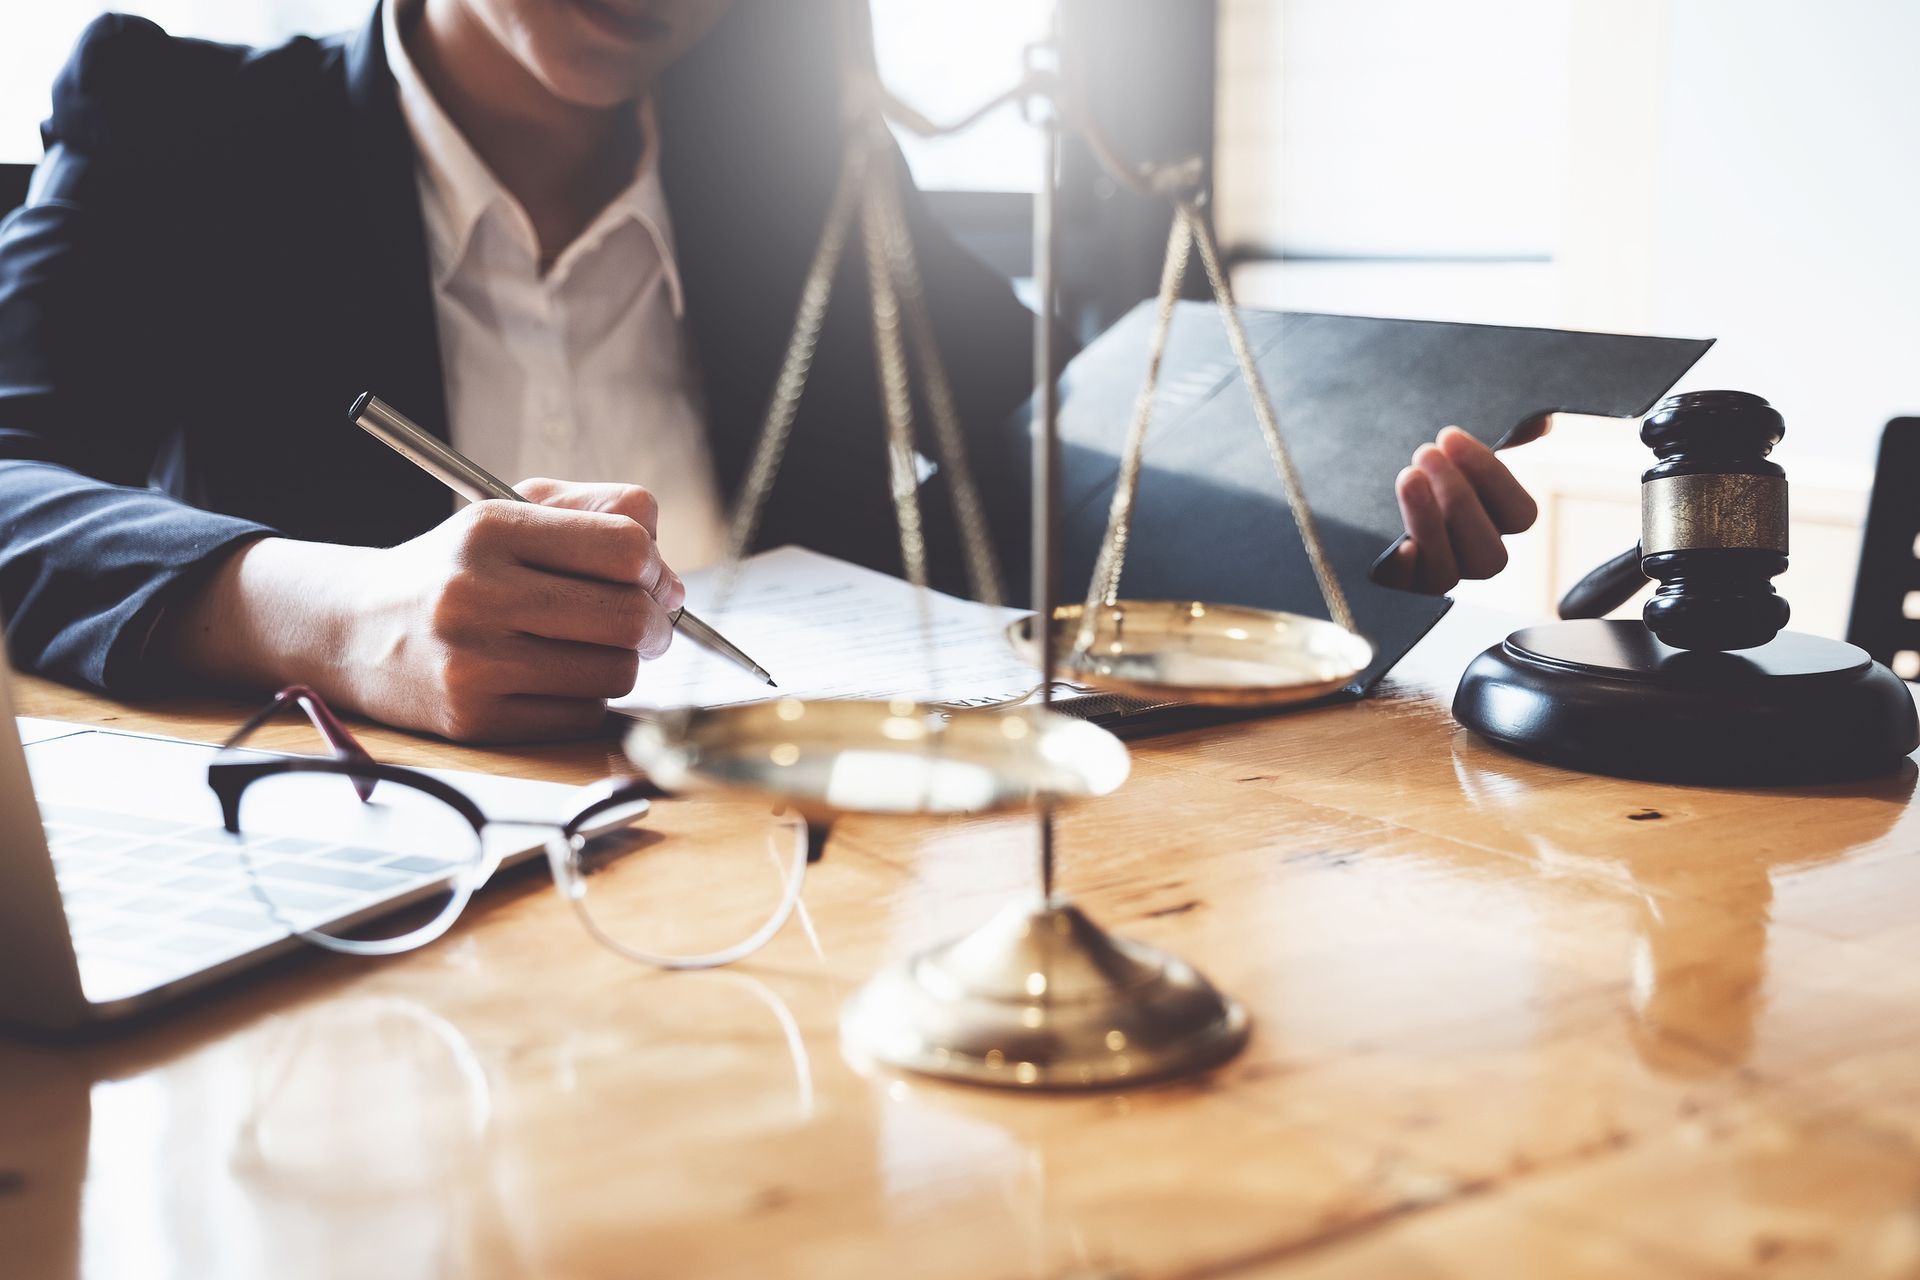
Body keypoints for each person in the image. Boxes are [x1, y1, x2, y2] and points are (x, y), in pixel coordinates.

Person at [0, 0, 1538, 742]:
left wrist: (1343, 522)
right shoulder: (179, 125)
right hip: (385, 892)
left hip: (801, 869)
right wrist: (340, 617)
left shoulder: (793, 168)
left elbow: (1053, 439)